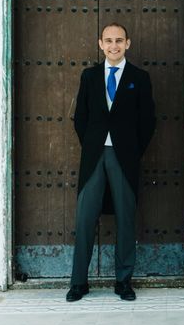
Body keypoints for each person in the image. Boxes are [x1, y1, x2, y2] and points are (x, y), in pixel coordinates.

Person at [66, 22, 156, 302]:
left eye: (119, 40)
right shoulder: (89, 76)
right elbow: (81, 117)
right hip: (94, 156)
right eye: (108, 41)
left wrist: (130, 149)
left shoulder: (140, 77)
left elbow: (148, 121)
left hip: (124, 158)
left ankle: (123, 281)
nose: (113, 45)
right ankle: (78, 282)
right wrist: (93, 143)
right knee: (84, 219)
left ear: (127, 43)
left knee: (126, 219)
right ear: (100, 44)